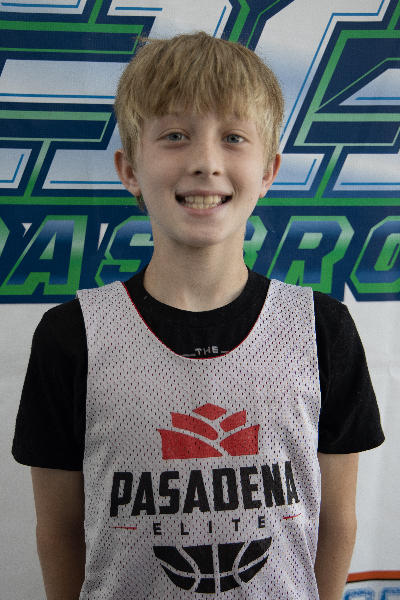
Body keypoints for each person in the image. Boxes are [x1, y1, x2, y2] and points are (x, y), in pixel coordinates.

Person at [12, 31, 384, 600]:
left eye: (233, 137)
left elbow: (335, 523)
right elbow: (60, 531)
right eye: (175, 136)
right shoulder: (72, 336)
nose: (206, 163)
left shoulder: (321, 329)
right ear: (129, 170)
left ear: (269, 171)